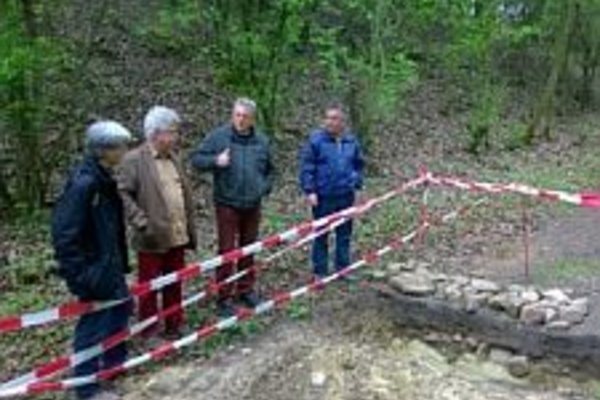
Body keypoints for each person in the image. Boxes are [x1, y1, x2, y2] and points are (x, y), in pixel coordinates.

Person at [52, 121, 132, 400]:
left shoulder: (103, 179)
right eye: (121, 146)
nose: (125, 150)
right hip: (95, 272)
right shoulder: (85, 184)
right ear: (105, 150)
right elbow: (64, 235)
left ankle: (112, 367)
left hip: (109, 266)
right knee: (92, 327)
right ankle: (85, 388)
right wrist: (82, 277)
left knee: (122, 309)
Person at [191, 98, 275, 317]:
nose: (240, 120)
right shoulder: (219, 137)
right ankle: (223, 296)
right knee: (227, 251)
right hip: (227, 203)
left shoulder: (262, 141)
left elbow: (271, 170)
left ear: (252, 119)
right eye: (237, 115)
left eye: (245, 116)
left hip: (253, 204)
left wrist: (263, 188)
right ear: (232, 115)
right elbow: (197, 160)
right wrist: (215, 161)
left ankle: (245, 290)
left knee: (249, 248)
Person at [118, 106, 196, 338]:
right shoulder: (134, 160)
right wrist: (141, 222)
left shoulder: (174, 158)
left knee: (175, 282)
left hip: (177, 233)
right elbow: (122, 193)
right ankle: (149, 330)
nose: (176, 136)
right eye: (171, 132)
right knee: (149, 287)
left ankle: (174, 324)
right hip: (151, 236)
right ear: (155, 133)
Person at [299, 104, 365, 278]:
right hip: (323, 196)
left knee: (344, 234)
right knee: (321, 234)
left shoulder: (351, 141)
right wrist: (310, 190)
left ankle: (342, 268)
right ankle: (320, 271)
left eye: (334, 118)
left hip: (346, 195)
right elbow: (307, 167)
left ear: (342, 122)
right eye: (327, 118)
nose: (330, 122)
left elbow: (359, 164)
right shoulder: (316, 141)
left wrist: (356, 182)